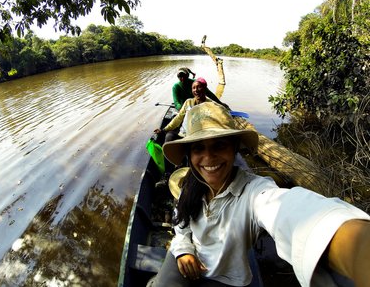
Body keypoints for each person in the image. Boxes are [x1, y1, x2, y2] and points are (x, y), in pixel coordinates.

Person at [149, 102, 370, 287]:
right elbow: (181, 225)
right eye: (198, 148)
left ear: (235, 149)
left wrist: (356, 246)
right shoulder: (189, 184)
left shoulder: (254, 193)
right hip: (186, 259)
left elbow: (288, 209)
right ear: (189, 154)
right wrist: (183, 250)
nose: (209, 157)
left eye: (219, 145)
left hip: (227, 279)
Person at [154, 78, 217, 187]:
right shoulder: (188, 102)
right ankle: (168, 174)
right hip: (183, 133)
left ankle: (191, 176)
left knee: (194, 149)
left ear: (205, 88)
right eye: (193, 88)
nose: (196, 90)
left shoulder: (210, 104)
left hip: (199, 136)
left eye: (199, 87)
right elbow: (178, 119)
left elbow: (216, 121)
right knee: (169, 137)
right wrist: (164, 129)